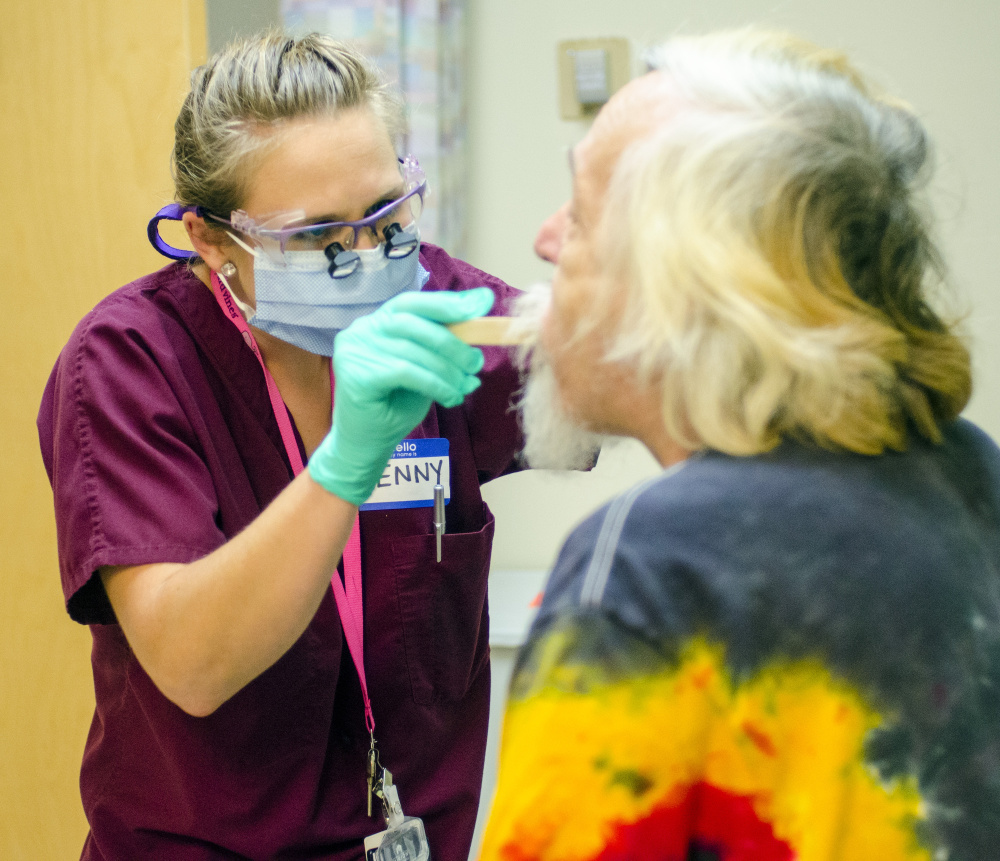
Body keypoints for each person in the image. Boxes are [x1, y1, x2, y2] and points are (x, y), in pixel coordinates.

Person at [478, 29, 1000, 861]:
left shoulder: (651, 566)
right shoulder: (972, 471)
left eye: (578, 214)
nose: (546, 239)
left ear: (673, 287)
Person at [38, 33, 525, 861]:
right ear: (212, 240)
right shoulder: (130, 362)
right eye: (317, 236)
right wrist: (346, 462)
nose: (367, 258)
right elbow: (194, 663)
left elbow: (615, 378)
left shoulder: (429, 297)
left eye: (385, 213)